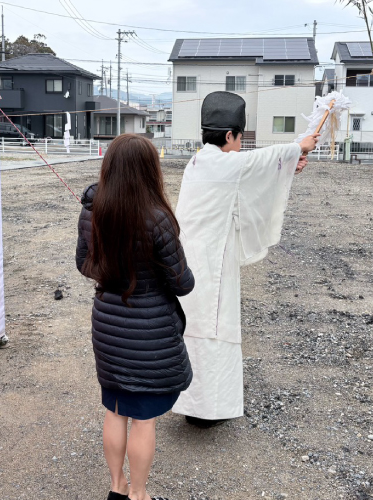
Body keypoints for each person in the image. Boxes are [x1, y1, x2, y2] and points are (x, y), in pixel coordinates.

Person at [171, 91, 319, 428]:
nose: (240, 144)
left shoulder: (199, 162)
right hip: (211, 263)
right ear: (229, 135)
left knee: (194, 328)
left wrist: (286, 168)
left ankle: (192, 403)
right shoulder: (226, 164)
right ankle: (207, 410)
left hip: (189, 260)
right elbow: (259, 164)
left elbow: (250, 179)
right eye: (239, 138)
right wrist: (300, 146)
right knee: (213, 329)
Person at [76, 134, 194, 500]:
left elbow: (84, 264)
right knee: (144, 418)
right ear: (149, 170)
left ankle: (117, 488)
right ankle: (139, 494)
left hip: (108, 326)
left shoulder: (93, 210)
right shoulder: (158, 217)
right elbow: (182, 283)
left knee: (114, 410)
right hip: (150, 333)